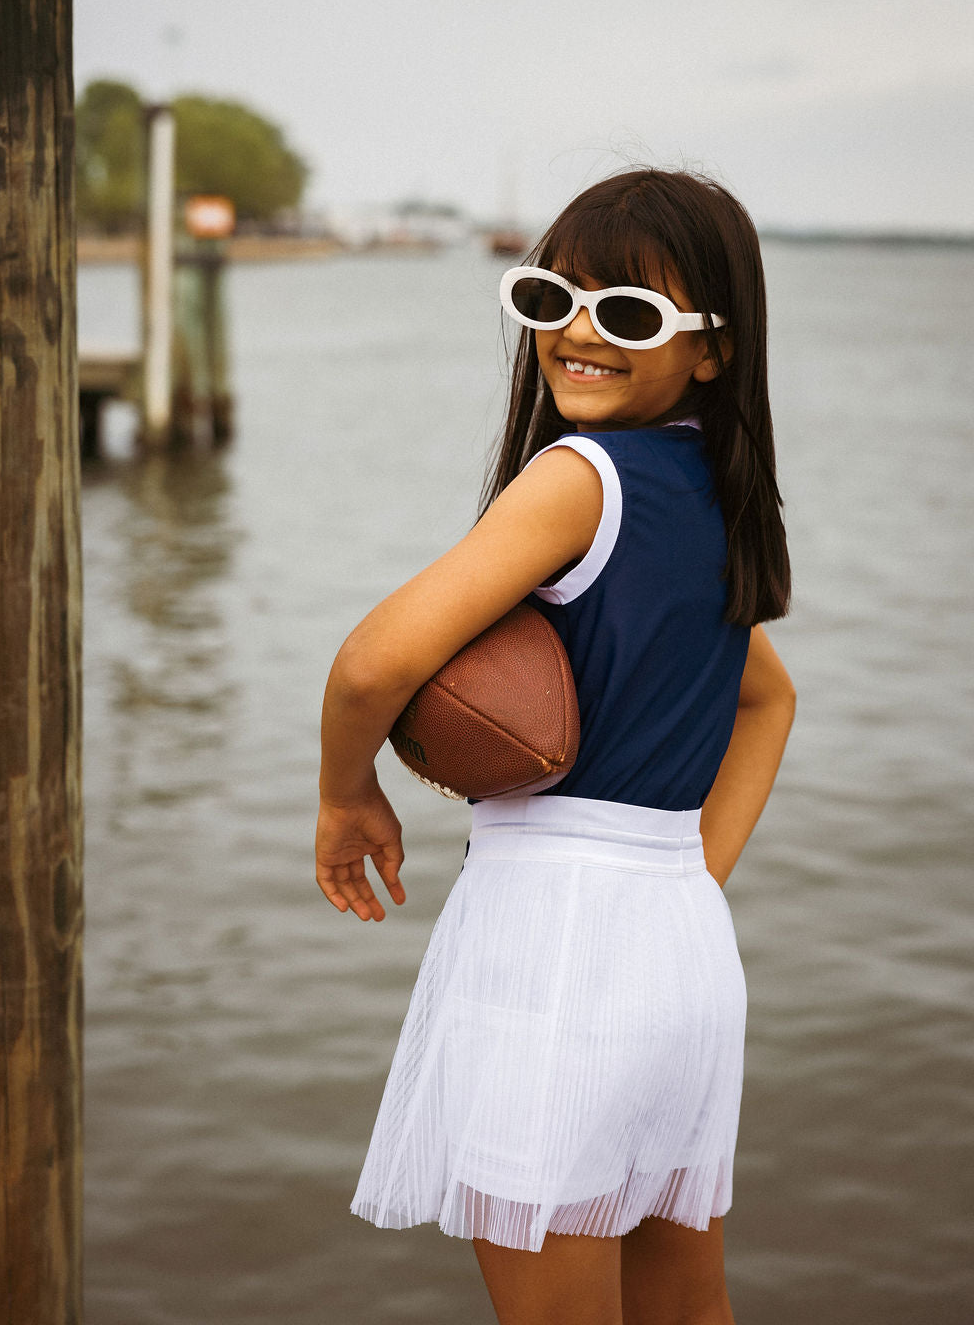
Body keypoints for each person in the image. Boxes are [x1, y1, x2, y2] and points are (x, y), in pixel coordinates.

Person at [316, 168, 796, 1325]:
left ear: (711, 351)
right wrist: (684, 878)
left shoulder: (576, 480)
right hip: (677, 950)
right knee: (687, 1307)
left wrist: (346, 800)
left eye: (627, 314)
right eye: (552, 299)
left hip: (555, 947)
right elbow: (765, 702)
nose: (578, 334)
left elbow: (371, 663)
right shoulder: (723, 498)